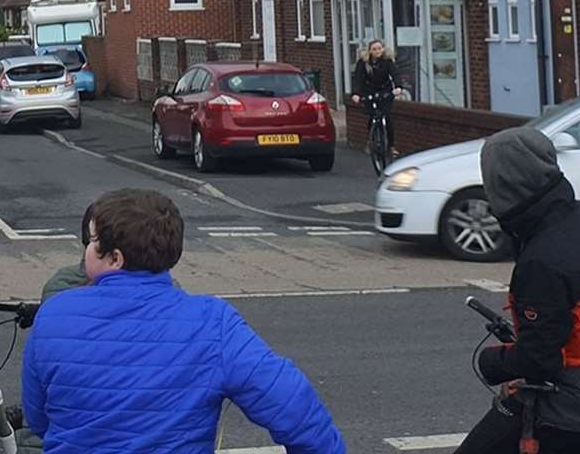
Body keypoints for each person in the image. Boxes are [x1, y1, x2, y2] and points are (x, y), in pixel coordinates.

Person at [22, 189, 345, 454]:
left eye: (92, 242)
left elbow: (37, 418)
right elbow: (294, 407)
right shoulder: (212, 323)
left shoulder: (54, 314)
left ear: (115, 258)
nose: (86, 250)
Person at [456, 128, 580, 454]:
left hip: (571, 409)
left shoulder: (541, 261)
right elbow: (577, 323)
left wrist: (493, 362)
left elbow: (539, 359)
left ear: (506, 186)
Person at [350, 39, 401, 151]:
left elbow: (395, 74)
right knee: (373, 116)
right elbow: (358, 78)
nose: (377, 51)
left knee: (387, 116)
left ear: (383, 49)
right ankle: (370, 141)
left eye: (379, 48)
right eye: (374, 49)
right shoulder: (363, 63)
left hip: (385, 90)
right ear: (370, 51)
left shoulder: (387, 61)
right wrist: (356, 93)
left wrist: (398, 87)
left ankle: (391, 146)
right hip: (369, 90)